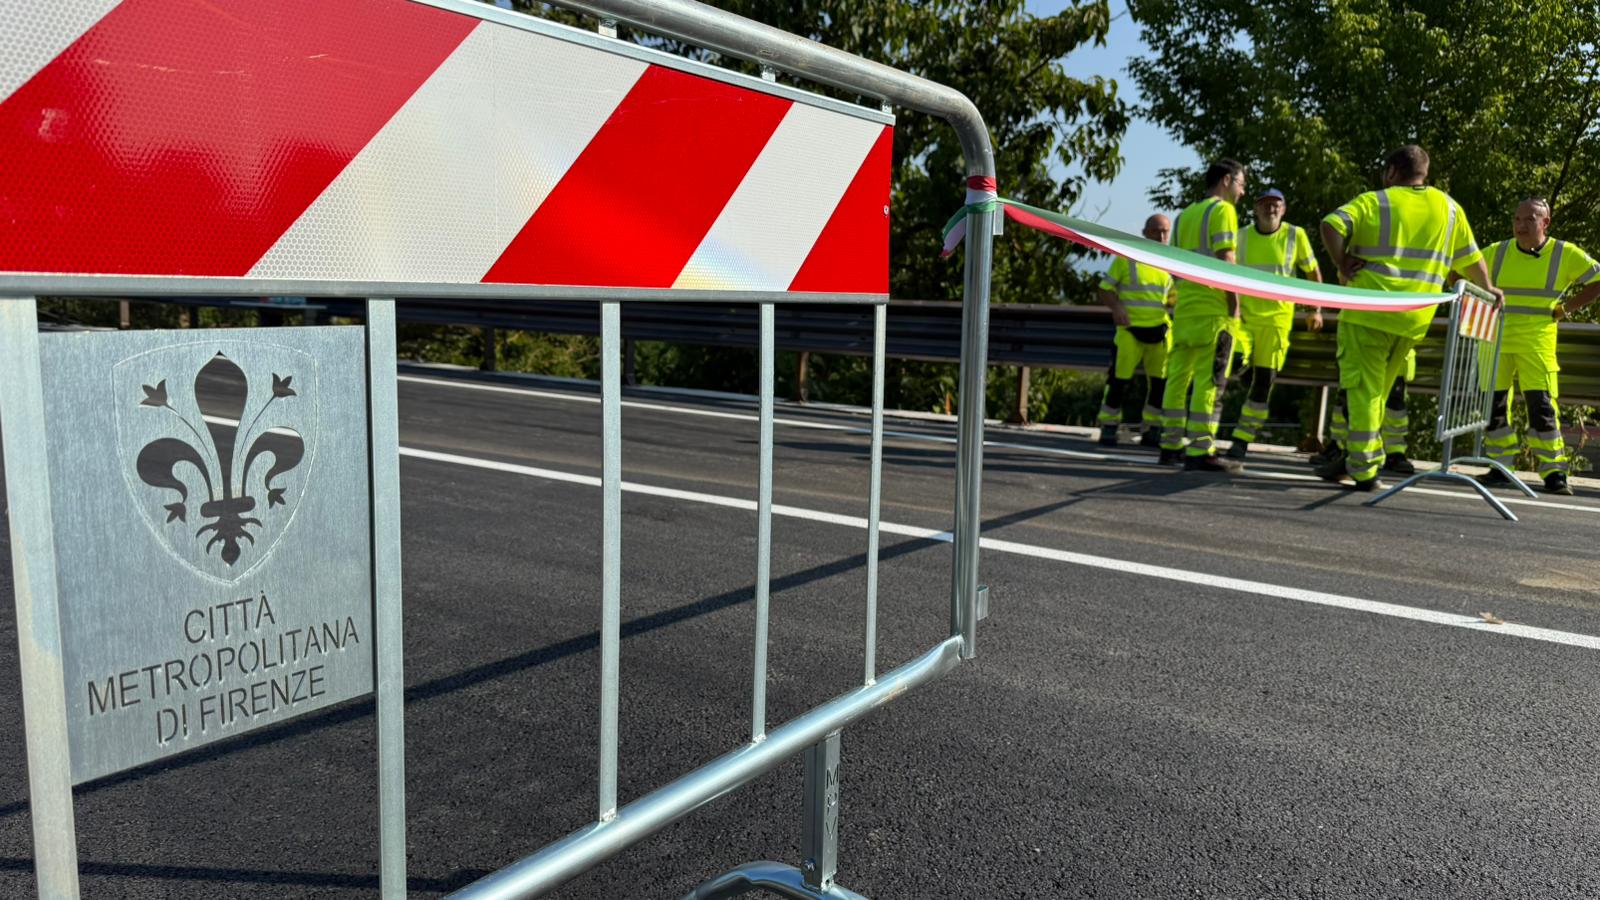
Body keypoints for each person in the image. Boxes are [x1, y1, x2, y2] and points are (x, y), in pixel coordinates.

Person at [1318, 145, 1500, 490]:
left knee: (1363, 389)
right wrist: (1490, 287)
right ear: (1425, 173)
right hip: (1415, 316)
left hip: (1369, 309)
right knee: (1380, 390)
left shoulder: (1376, 200)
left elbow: (1330, 224)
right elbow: (1470, 258)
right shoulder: (1449, 208)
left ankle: (1363, 467)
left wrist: (1342, 263)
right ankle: (1357, 454)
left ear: (1391, 171)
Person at [1478, 196, 1600, 495]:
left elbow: (1597, 280)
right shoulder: (1498, 251)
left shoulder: (1563, 253)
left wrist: (1566, 308)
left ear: (1545, 223)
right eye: (1517, 219)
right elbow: (1461, 270)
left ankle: (1554, 472)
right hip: (1494, 341)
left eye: (1529, 220)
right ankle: (1500, 466)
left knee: (1542, 408)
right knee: (1492, 407)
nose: (1521, 225)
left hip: (1536, 343)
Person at [1159, 159, 1247, 472]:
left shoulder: (1184, 217)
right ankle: (1201, 449)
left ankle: (1169, 445)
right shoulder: (1222, 211)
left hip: (1185, 310)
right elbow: (1226, 258)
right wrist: (1234, 303)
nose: (1242, 192)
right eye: (1240, 184)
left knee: (1178, 380)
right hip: (1213, 312)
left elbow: (1173, 264)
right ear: (1226, 180)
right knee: (1209, 382)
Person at [1225, 188, 1323, 460]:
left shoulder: (1295, 235)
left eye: (1276, 204)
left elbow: (1312, 272)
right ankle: (1206, 427)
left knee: (1264, 380)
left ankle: (1241, 439)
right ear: (1255, 209)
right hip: (1243, 318)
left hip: (1277, 320)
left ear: (1284, 209)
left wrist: (1314, 308)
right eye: (1265, 204)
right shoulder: (1241, 235)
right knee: (1231, 363)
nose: (1271, 209)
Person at [1097, 214, 1175, 447]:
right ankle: (1109, 426)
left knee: (1160, 384)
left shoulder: (1171, 261)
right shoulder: (1127, 258)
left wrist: (1175, 302)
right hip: (1130, 330)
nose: (1161, 236)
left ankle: (1152, 428)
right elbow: (1105, 288)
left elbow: (1172, 296)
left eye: (1165, 232)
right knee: (1118, 381)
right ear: (1145, 232)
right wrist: (1116, 307)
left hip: (1159, 332)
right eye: (1156, 231)